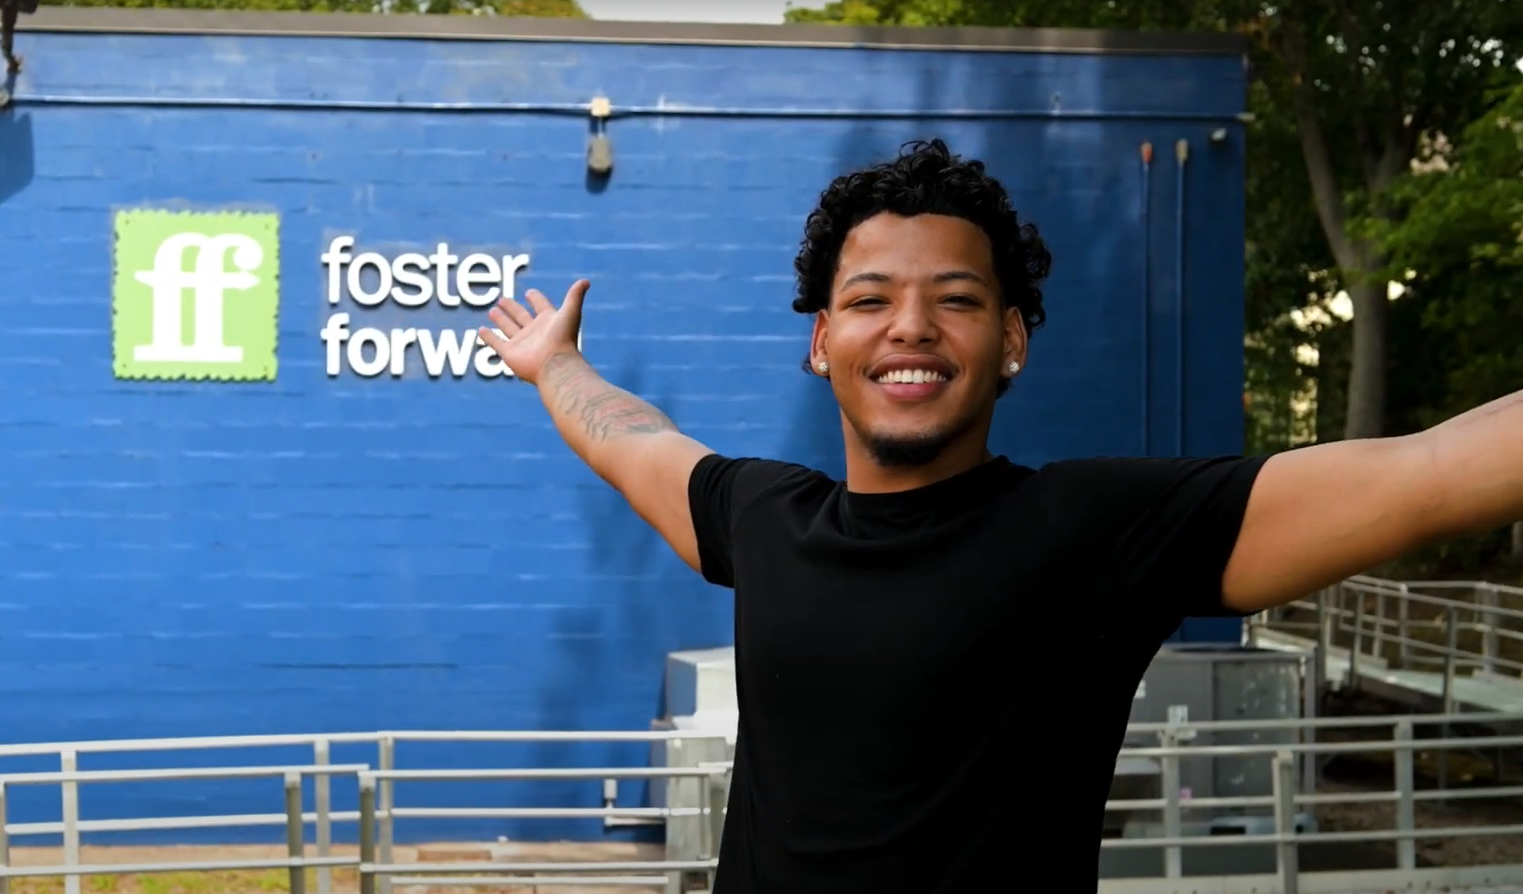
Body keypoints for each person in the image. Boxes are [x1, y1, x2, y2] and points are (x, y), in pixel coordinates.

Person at [475, 138, 1523, 892]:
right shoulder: (762, 515)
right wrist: (555, 363)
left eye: (958, 299)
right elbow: (632, 436)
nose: (912, 327)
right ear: (821, 341)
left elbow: (1424, 474)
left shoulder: (1094, 531)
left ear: (1011, 340)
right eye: (872, 298)